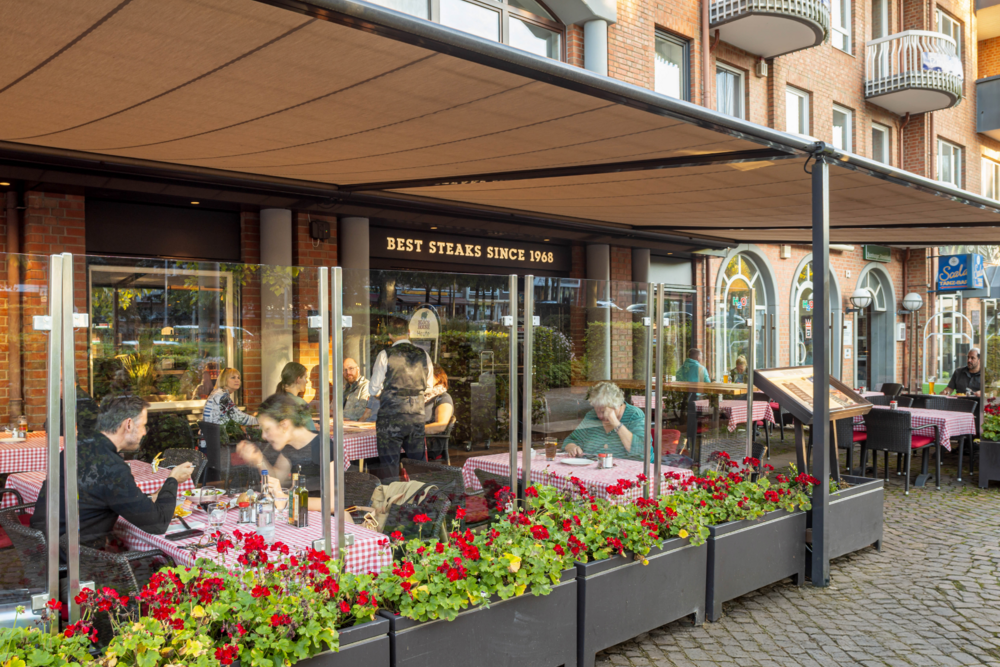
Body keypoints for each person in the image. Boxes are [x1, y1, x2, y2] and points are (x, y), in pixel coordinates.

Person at [31, 395, 195, 549]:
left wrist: (152, 497)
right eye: (144, 425)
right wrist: (172, 479)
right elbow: (157, 524)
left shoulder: (79, 448)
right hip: (73, 558)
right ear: (128, 424)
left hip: (44, 545)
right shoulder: (111, 466)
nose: (145, 432)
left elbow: (98, 495)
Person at [236, 393, 341, 513]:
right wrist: (259, 460)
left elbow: (333, 503)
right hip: (297, 516)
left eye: (267, 429)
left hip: (322, 524)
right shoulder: (290, 446)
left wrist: (285, 498)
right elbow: (277, 478)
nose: (263, 436)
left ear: (284, 425)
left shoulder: (323, 447)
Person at [369, 316, 434, 479]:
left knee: (389, 464)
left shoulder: (385, 354)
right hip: (416, 416)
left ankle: (392, 500)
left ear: (390, 335)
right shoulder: (423, 354)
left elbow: (372, 389)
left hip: (390, 417)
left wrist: (387, 396)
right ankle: (421, 498)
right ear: (409, 332)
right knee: (417, 465)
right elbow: (430, 387)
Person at [562, 382, 649, 461]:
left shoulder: (634, 415)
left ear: (617, 405)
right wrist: (572, 447)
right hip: (593, 470)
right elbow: (571, 440)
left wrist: (615, 422)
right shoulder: (592, 415)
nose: (599, 415)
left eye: (603, 411)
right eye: (597, 410)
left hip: (627, 473)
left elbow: (641, 449)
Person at [273, 362, 316, 432]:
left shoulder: (275, 400)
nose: (307, 381)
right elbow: (311, 433)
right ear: (298, 379)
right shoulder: (300, 403)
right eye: (305, 377)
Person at [425, 367, 454, 435]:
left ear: (438, 378)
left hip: (428, 441)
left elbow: (440, 426)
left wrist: (408, 432)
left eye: (426, 375)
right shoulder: (417, 397)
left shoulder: (443, 398)